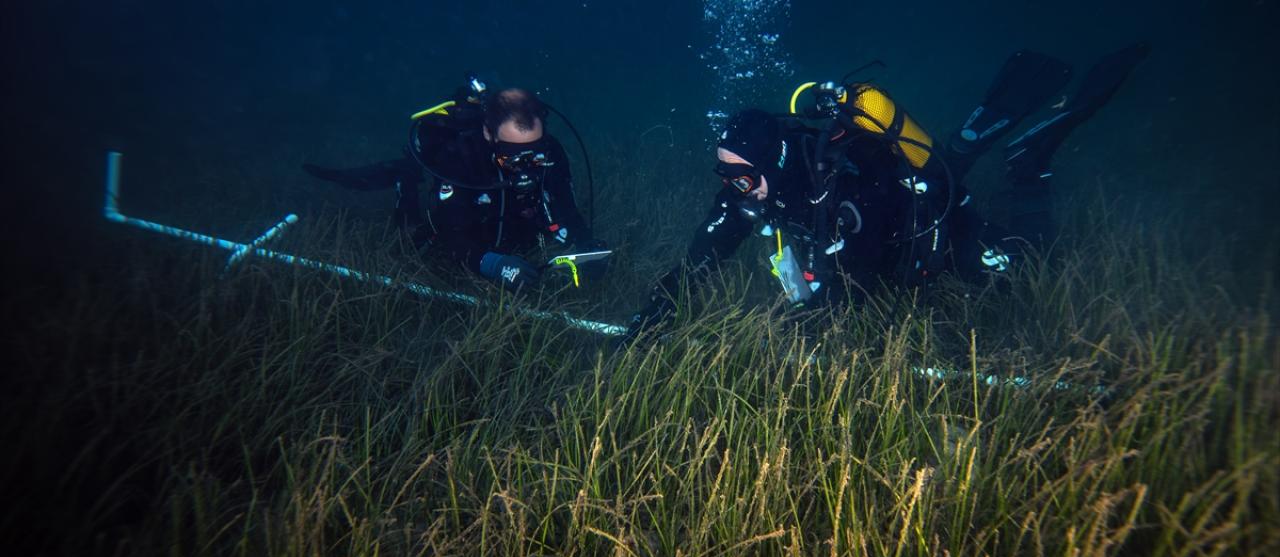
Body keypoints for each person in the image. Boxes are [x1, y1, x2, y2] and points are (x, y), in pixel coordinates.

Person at [628, 44, 1149, 336]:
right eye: (725, 177)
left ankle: (1029, 165)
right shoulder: (755, 188)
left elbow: (860, 282)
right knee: (954, 162)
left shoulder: (847, 182)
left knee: (1036, 263)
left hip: (934, 231)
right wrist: (660, 307)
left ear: (776, 161)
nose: (733, 191)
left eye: (741, 176)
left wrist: (801, 324)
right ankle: (971, 144)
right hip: (877, 227)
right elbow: (704, 255)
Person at [304, 82, 602, 291]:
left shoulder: (552, 151)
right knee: (414, 239)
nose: (526, 166)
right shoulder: (460, 157)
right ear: (488, 133)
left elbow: (566, 204)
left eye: (534, 154)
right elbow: (449, 234)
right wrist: (490, 263)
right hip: (462, 216)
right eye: (513, 157)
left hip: (505, 213)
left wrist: (586, 244)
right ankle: (403, 178)